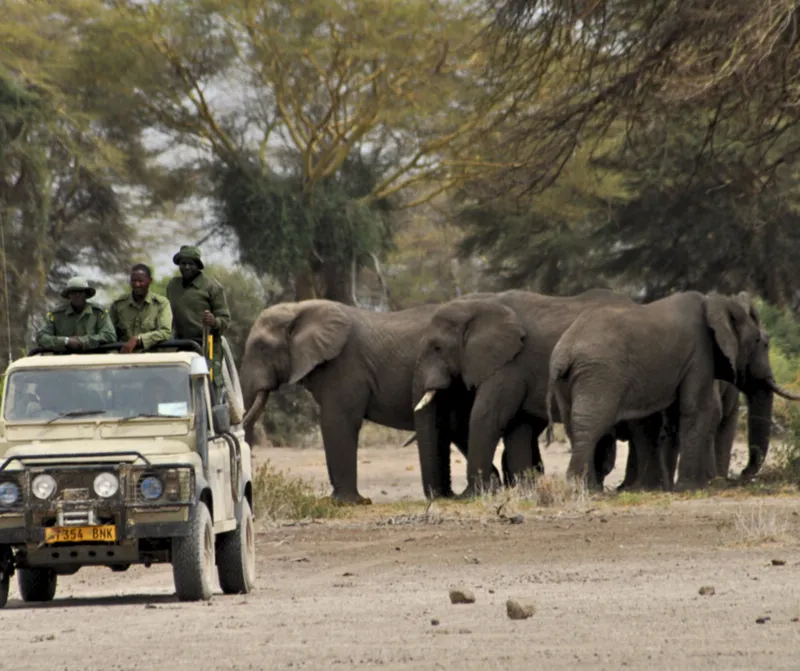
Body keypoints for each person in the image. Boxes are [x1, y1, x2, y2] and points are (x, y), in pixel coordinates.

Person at [166, 245, 231, 393]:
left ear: (198, 265)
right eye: (183, 263)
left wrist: (214, 321)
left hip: (208, 344)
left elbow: (225, 321)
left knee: (211, 385)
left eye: (191, 264)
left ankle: (216, 414)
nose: (187, 267)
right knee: (181, 387)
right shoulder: (172, 286)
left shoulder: (211, 286)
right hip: (183, 344)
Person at [36, 276, 116, 352]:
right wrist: (66, 341)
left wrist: (83, 342)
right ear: (68, 295)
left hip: (94, 358)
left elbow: (110, 335)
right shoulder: (56, 315)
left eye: (81, 292)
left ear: (86, 294)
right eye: (74, 292)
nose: (77, 295)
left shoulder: (99, 313)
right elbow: (41, 337)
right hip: (62, 360)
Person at [109, 263, 173, 353]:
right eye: (133, 281)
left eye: (140, 281)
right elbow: (109, 333)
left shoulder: (161, 304)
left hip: (152, 359)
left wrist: (139, 339)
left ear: (149, 281)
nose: (137, 284)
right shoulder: (118, 305)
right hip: (124, 358)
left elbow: (165, 332)